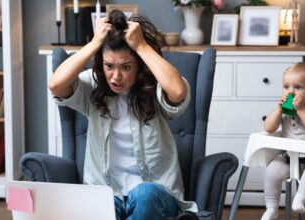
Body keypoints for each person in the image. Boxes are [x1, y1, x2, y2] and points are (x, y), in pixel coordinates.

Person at [48, 9, 197, 219]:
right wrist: (94, 44)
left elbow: (178, 91)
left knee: (145, 193)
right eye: (109, 66)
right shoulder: (93, 85)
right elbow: (55, 85)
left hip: (155, 196)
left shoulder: (153, 86)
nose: (116, 77)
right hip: (108, 194)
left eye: (126, 67)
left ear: (139, 66)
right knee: (104, 200)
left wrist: (141, 46)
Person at [261, 62, 305, 220]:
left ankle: (300, 198)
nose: (291, 91)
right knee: (272, 170)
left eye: (298, 87)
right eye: (286, 87)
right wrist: (278, 110)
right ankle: (271, 207)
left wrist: (301, 109)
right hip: (288, 156)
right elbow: (269, 128)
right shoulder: (283, 108)